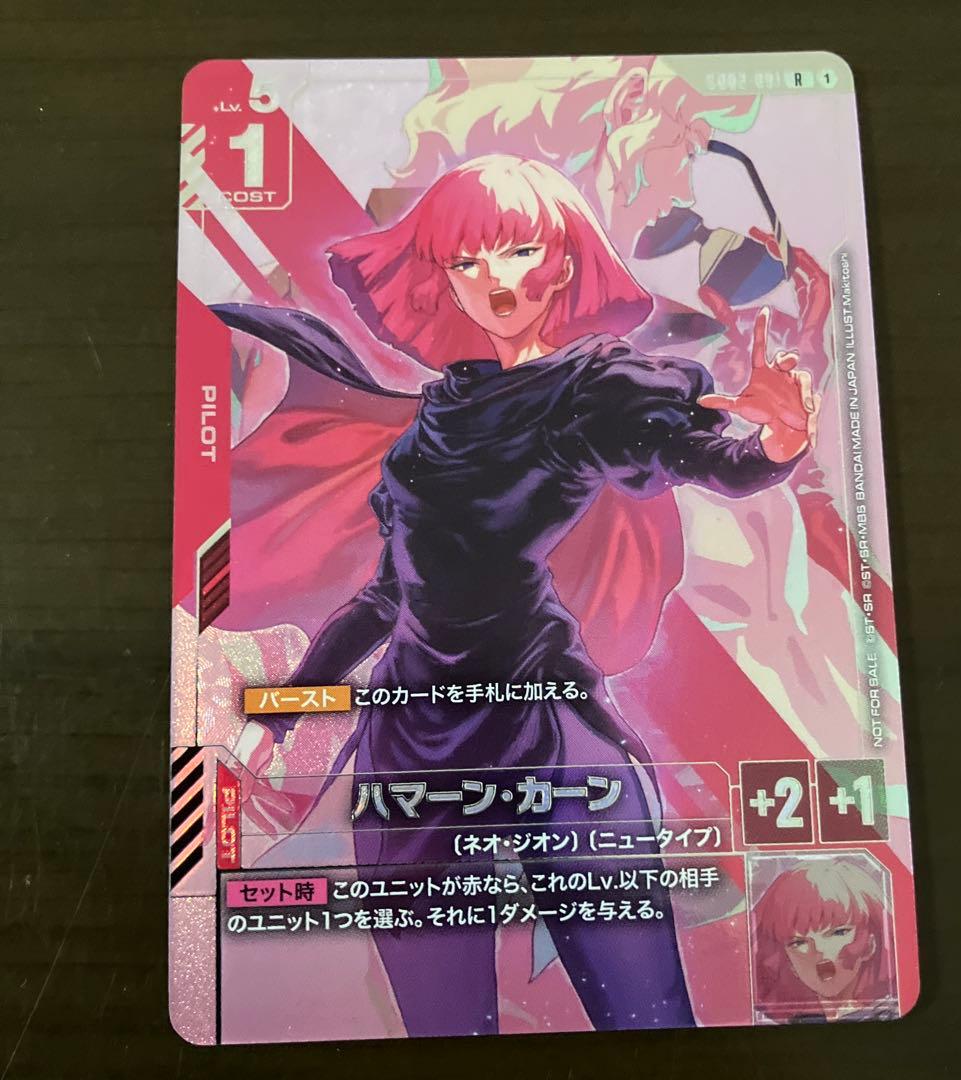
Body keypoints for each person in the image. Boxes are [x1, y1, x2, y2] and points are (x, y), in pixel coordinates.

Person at [217, 153, 819, 1036]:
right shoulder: (437, 418)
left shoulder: (594, 390)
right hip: (413, 745)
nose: (492, 280)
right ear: (445, 279)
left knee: (648, 1017)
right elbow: (388, 597)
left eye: (518, 250)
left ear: (566, 261)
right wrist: (275, 712)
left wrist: (777, 444)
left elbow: (709, 462)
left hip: (546, 727)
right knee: (442, 1031)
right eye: (466, 260)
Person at [751, 858, 897, 1023]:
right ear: (789, 962)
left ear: (870, 944)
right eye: (798, 942)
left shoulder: (888, 1016)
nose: (818, 949)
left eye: (839, 932)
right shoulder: (798, 1023)